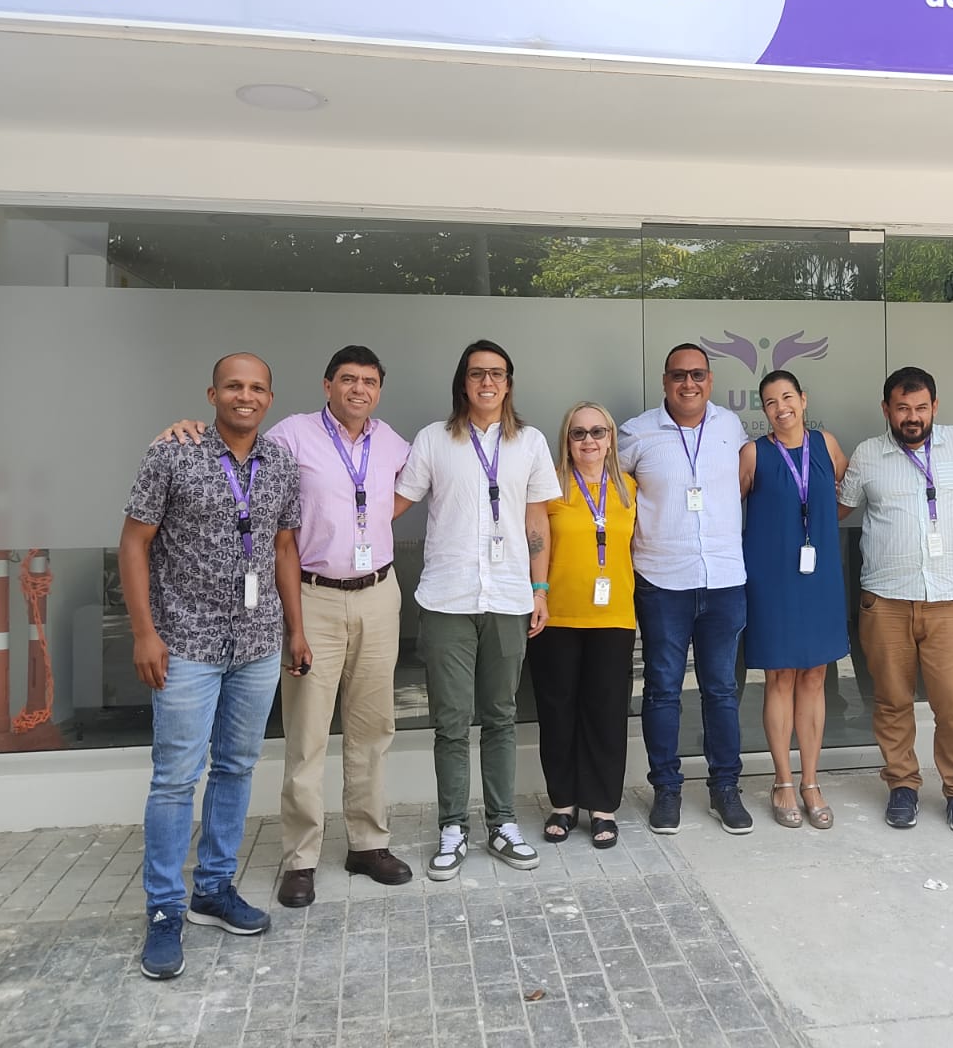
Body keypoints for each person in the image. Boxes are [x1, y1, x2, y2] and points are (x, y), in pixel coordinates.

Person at [155, 346, 415, 907]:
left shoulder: (393, 442)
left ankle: (368, 843)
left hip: (377, 594)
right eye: (348, 380)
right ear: (327, 385)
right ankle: (301, 857)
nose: (358, 390)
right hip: (313, 599)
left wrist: (363, 527)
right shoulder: (293, 436)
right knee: (307, 735)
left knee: (373, 730)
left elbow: (413, 487)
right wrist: (188, 429)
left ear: (379, 389)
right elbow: (235, 442)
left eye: (369, 381)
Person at [118, 353, 305, 981]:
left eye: (256, 388)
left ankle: (214, 888)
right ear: (212, 393)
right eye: (233, 386)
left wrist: (295, 628)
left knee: (236, 766)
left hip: (256, 643)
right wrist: (144, 632)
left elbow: (283, 546)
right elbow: (134, 542)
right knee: (175, 778)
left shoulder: (279, 462)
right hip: (185, 643)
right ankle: (165, 909)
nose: (244, 396)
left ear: (270, 398)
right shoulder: (173, 453)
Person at [394, 340, 561, 880]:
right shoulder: (434, 440)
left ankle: (502, 822)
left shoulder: (530, 442)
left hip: (510, 597)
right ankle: (452, 826)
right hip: (447, 599)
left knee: (501, 717)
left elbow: (537, 521)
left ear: (509, 382)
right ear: (462, 383)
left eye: (496, 373)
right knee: (449, 722)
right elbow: (393, 501)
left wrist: (540, 588)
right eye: (476, 374)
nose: (486, 382)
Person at [837, 366, 953, 835]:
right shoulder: (867, 455)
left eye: (921, 407)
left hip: (947, 599)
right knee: (891, 700)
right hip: (885, 600)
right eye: (902, 408)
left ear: (935, 408)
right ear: (887, 409)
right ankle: (902, 784)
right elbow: (837, 509)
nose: (912, 417)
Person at [620, 344, 753, 835]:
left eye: (697, 374)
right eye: (679, 375)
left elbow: (742, 483)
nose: (688, 383)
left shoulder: (730, 428)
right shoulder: (636, 433)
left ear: (710, 380)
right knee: (662, 691)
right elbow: (611, 494)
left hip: (723, 579)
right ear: (664, 380)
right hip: (662, 581)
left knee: (721, 689)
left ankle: (725, 789)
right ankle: (667, 789)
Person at [739, 370, 849, 830]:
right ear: (763, 411)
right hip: (771, 579)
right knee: (780, 677)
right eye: (769, 402)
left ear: (803, 399)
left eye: (787, 397)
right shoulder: (754, 453)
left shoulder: (826, 444)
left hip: (818, 577)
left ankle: (810, 781)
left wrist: (815, 528)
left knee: (815, 676)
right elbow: (733, 508)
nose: (780, 407)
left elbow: (841, 495)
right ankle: (782, 781)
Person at [530, 402, 638, 849]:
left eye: (597, 432)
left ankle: (602, 806)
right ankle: (563, 802)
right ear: (566, 440)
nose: (589, 440)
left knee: (607, 712)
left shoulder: (629, 489)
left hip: (613, 618)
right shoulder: (549, 489)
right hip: (557, 618)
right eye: (578, 433)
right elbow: (535, 547)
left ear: (611, 438)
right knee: (558, 712)